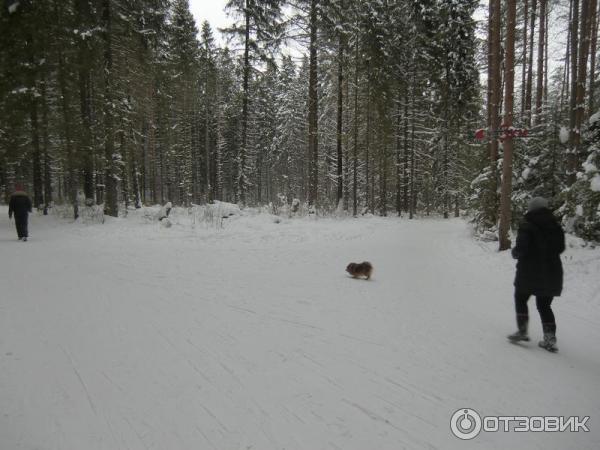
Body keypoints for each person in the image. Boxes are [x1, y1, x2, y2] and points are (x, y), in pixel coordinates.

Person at [507, 197, 565, 352]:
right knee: (544, 305)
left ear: (531, 208)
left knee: (520, 298)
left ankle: (522, 330)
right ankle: (550, 338)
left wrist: (515, 253)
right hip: (552, 271)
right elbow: (561, 248)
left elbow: (522, 248)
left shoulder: (527, 225)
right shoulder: (555, 225)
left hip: (529, 271)